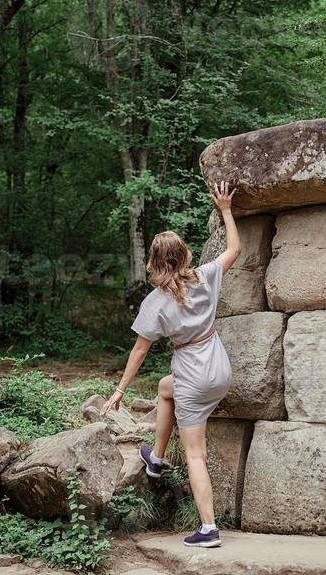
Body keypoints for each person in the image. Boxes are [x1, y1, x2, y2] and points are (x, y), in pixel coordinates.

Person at [100, 181, 241, 549]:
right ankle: (157, 457)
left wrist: (119, 391)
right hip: (219, 372)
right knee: (166, 388)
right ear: (184, 256)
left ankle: (209, 528)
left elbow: (139, 351)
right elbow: (235, 249)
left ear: (155, 262)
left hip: (193, 378)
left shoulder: (155, 302)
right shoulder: (206, 276)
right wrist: (225, 208)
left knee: (196, 454)